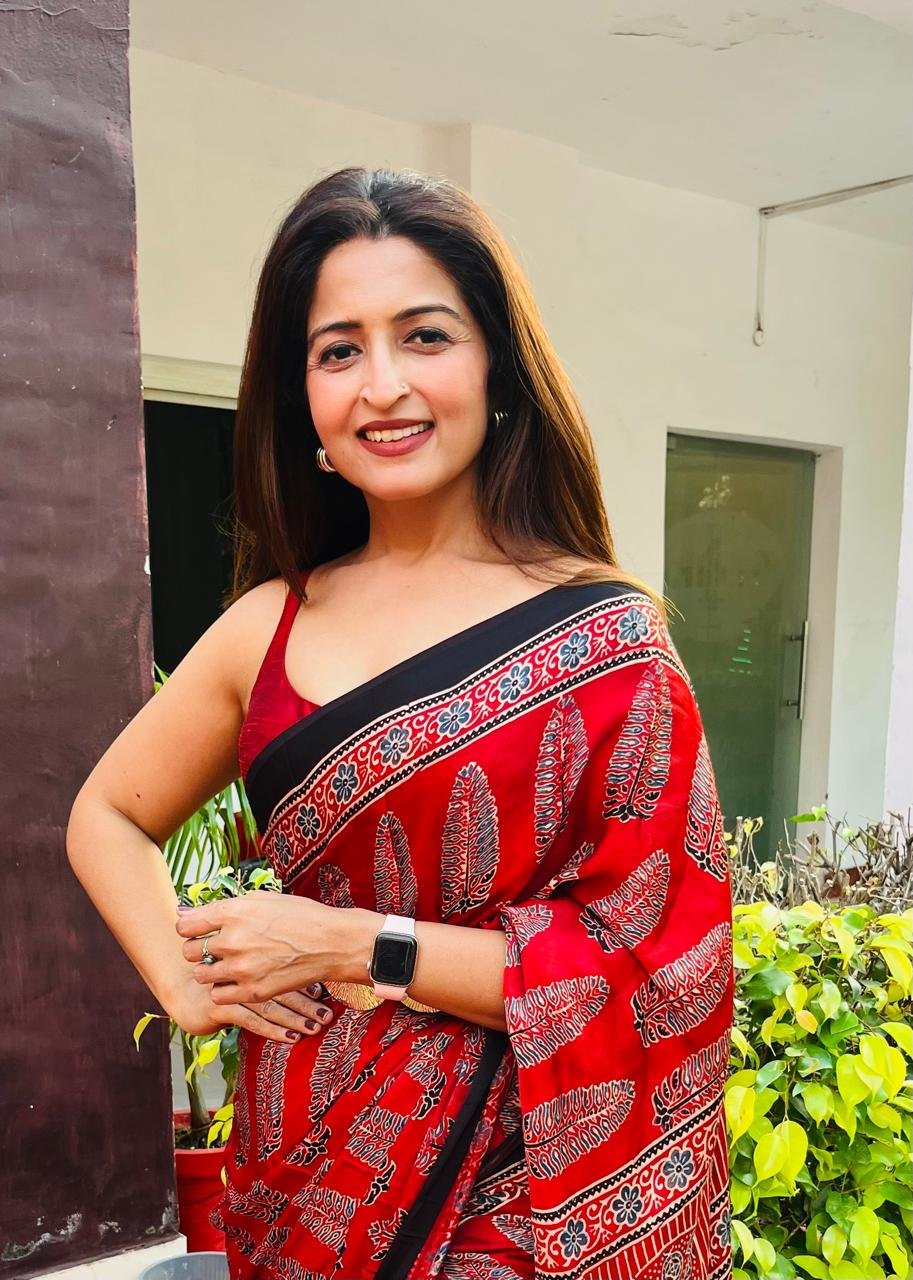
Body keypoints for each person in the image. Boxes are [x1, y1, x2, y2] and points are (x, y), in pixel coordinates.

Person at [67, 166, 734, 1280]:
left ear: (497, 365)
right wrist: (188, 983)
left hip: (515, 1212)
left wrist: (352, 943)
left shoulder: (607, 640)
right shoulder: (266, 626)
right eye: (339, 351)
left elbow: (663, 972)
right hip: (299, 1191)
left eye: (425, 336)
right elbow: (106, 816)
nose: (383, 385)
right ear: (301, 395)